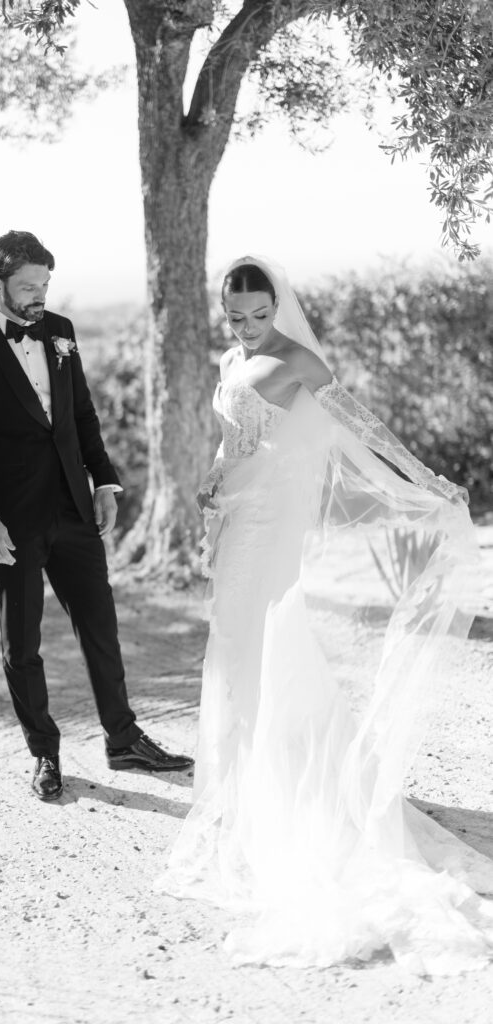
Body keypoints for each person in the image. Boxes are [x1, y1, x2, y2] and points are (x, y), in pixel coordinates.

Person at [156, 255, 493, 974]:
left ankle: (295, 792)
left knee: (266, 636)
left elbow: (361, 430)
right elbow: (231, 437)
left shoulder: (297, 360)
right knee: (234, 644)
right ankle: (246, 785)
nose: (246, 329)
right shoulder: (230, 357)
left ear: (276, 308)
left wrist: (425, 480)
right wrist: (214, 483)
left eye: (257, 316)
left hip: (275, 518)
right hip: (235, 513)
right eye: (235, 317)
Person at [0, 230, 193, 800]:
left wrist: (104, 480)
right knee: (21, 646)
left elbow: (80, 414)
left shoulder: (61, 333)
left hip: (76, 511)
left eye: (45, 284)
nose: (40, 296)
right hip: (12, 521)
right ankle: (45, 755)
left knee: (101, 628)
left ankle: (123, 740)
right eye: (28, 286)